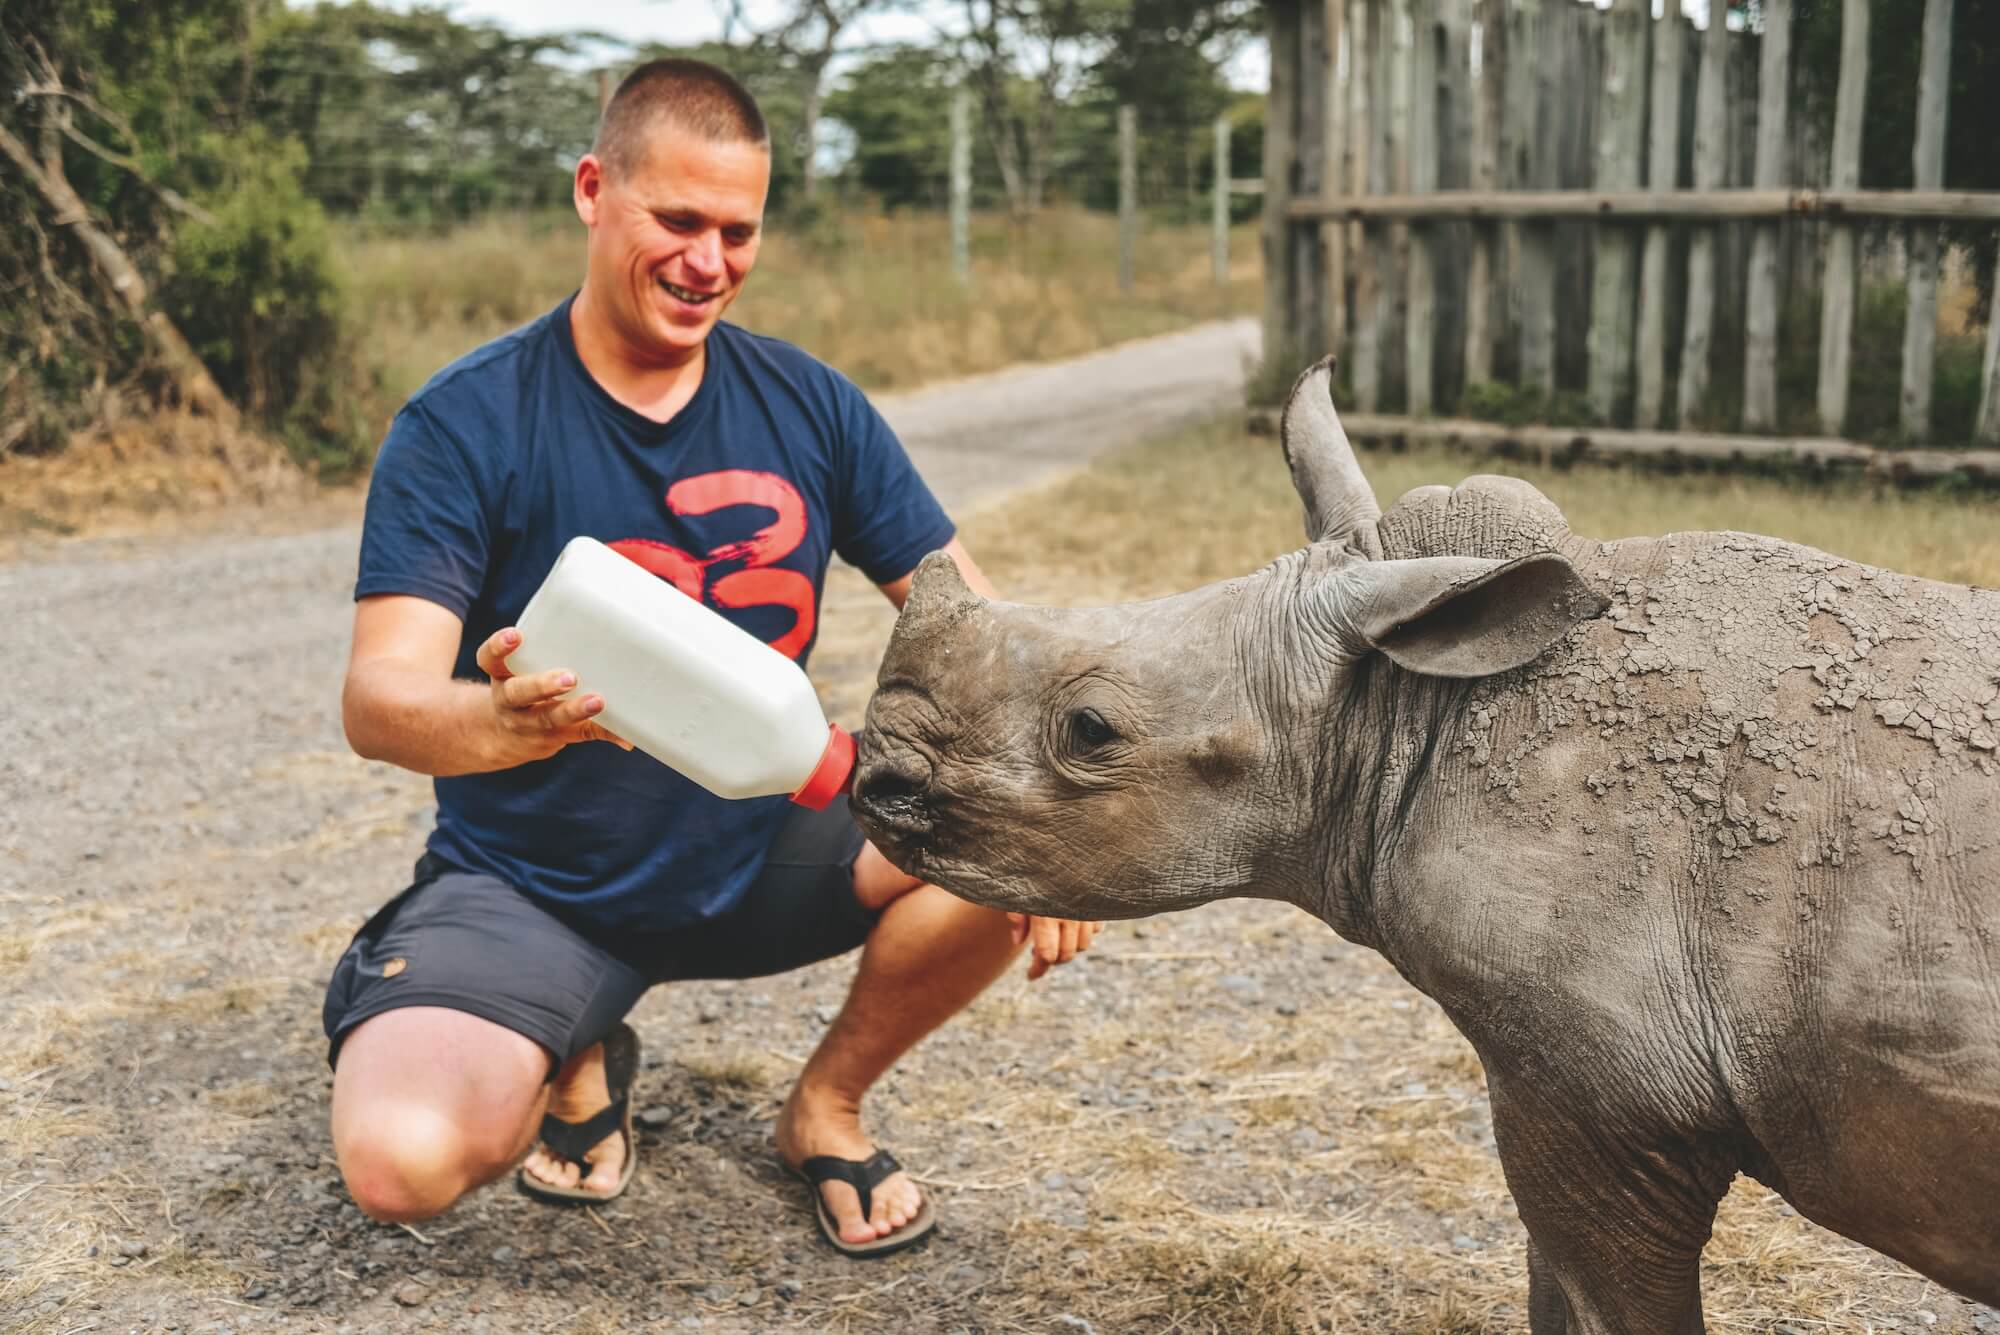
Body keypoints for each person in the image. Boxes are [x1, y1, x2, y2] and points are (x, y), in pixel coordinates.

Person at [324, 57, 1100, 1259]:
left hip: (763, 844)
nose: (708, 262)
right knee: (398, 1163)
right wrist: (509, 722)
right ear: (593, 190)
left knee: (1003, 841)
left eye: (736, 230)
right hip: (539, 880)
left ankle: (825, 1107)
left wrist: (1050, 815)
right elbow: (380, 702)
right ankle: (571, 1043)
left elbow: (965, 624)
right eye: (675, 220)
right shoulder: (464, 423)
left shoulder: (810, 404)